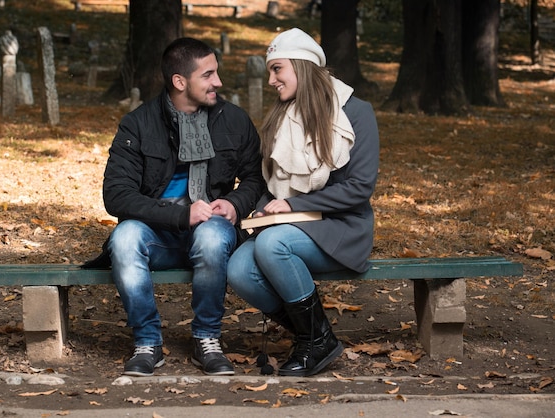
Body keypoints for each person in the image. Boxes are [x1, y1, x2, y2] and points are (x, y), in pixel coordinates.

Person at [90, 37, 265, 377]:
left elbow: (257, 178)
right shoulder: (138, 124)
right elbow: (116, 195)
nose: (218, 82)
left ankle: (207, 340)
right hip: (157, 233)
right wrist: (180, 214)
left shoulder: (234, 120)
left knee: (213, 238)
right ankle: (147, 343)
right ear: (180, 82)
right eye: (208, 75)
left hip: (210, 230)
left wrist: (235, 203)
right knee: (123, 239)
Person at [227, 28, 380, 377]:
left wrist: (290, 208)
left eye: (277, 69)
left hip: (341, 228)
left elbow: (359, 187)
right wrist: (264, 207)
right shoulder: (283, 115)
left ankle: (315, 342)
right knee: (238, 269)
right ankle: (314, 335)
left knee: (273, 243)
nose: (271, 80)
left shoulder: (356, 112)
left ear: (301, 66)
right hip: (289, 226)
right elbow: (274, 183)